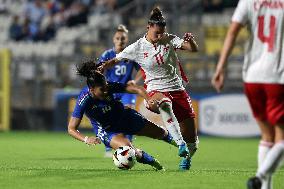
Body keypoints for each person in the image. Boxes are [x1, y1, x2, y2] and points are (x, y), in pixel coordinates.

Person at [99, 7, 199, 170]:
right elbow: (115, 60)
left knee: (192, 142)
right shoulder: (137, 47)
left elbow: (192, 48)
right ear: (148, 28)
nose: (160, 36)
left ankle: (186, 155)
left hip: (177, 89)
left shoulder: (169, 39)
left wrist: (191, 40)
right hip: (154, 91)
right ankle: (180, 144)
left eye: (162, 33)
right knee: (163, 103)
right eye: (157, 33)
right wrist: (102, 67)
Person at [211, 0, 284, 188]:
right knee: (281, 137)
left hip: (252, 76)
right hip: (278, 77)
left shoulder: (248, 1)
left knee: (267, 136)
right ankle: (259, 177)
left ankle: (265, 187)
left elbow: (233, 31)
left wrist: (221, 66)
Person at [68, 60, 177, 171]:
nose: (106, 90)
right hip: (108, 130)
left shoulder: (109, 86)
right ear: (92, 89)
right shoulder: (84, 100)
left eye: (106, 86)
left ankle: (184, 148)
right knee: (128, 151)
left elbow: (137, 89)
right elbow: (71, 129)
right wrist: (86, 139)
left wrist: (148, 99)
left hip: (125, 117)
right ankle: (156, 164)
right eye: (102, 89)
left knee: (160, 133)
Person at [97, 24, 142, 157]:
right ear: (113, 39)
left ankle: (129, 145)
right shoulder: (107, 54)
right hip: (111, 91)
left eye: (122, 38)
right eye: (117, 38)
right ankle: (108, 148)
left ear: (126, 40)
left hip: (126, 90)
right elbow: (100, 70)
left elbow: (142, 70)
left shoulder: (130, 55)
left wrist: (135, 81)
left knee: (129, 114)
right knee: (108, 118)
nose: (120, 41)